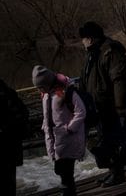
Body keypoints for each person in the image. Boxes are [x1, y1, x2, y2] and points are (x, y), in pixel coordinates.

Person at [78, 21, 126, 187]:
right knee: (104, 140)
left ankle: (118, 174)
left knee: (112, 140)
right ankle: (112, 171)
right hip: (98, 106)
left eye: (84, 38)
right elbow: (87, 79)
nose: (82, 42)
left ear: (91, 39)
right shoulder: (94, 52)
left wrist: (120, 106)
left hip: (110, 105)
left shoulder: (110, 51)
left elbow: (119, 80)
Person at [33, 66, 86, 196]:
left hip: (68, 138)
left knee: (66, 173)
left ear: (48, 83)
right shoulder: (45, 95)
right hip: (55, 139)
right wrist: (45, 126)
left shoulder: (65, 92)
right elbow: (48, 115)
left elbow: (81, 111)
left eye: (41, 87)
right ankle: (67, 191)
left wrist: (70, 128)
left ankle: (68, 192)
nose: (39, 90)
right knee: (60, 170)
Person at [0, 79, 29, 196]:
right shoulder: (9, 92)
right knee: (9, 182)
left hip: (7, 145)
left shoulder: (6, 95)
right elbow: (24, 113)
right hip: (12, 147)